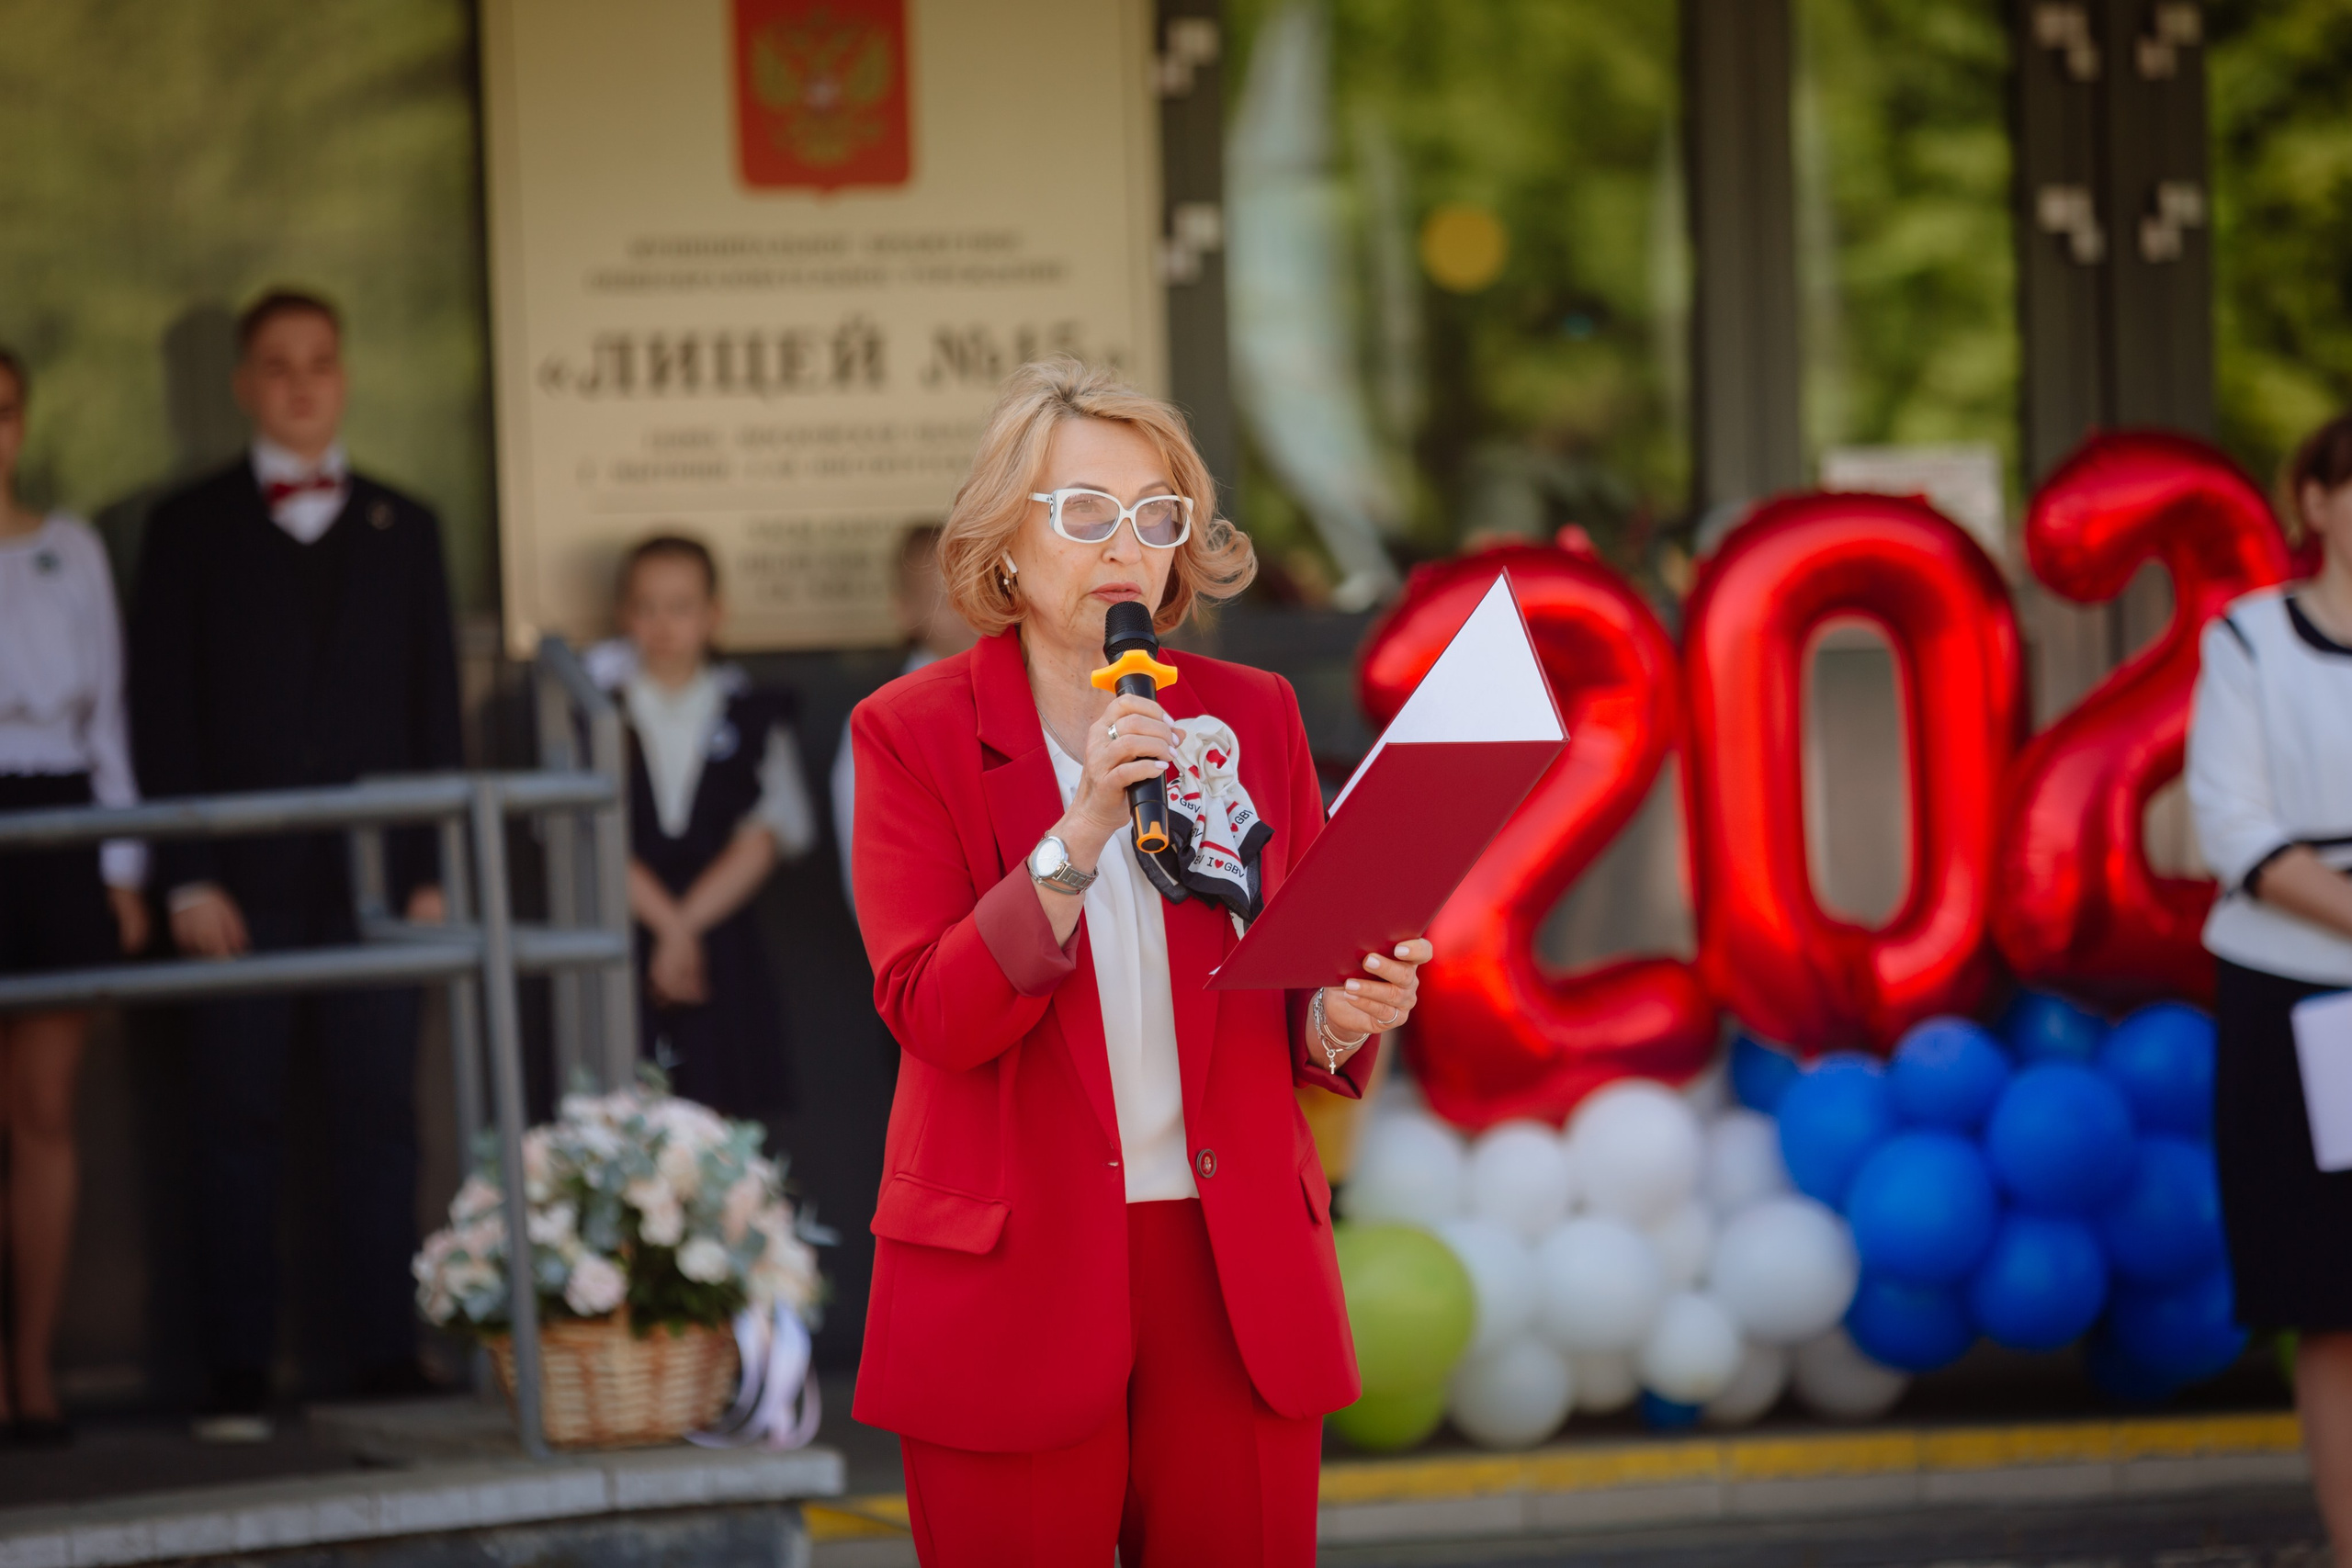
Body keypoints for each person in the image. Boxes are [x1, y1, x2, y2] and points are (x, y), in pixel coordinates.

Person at [847, 356, 1428, 1566]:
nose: (1127, 545)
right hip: (1011, 1272)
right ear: (1006, 541)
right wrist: (1079, 834)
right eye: (1085, 511)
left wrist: (1340, 1013)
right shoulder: (910, 733)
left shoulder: (1252, 714)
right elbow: (933, 1013)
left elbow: (1290, 988)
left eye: (1158, 515)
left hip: (1232, 1266)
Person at [129, 289, 463, 1440]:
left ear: (345, 375)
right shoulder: (187, 527)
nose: (302, 383)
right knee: (234, 1118)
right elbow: (160, 710)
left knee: (380, 1114)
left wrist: (430, 864)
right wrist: (185, 873)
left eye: (320, 361)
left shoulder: (407, 525)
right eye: (277, 365)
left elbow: (435, 707)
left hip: (382, 880)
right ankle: (234, 1369)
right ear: (243, 385)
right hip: (238, 884)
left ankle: (385, 1353)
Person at [2187, 410, 2352, 1559]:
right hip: (2294, 1004)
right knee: (2333, 1302)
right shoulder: (2248, 643)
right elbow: (2233, 827)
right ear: (2315, 503)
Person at [0, 346, 149, 1447]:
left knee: (44, 1111)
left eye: (3, 412)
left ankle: (34, 1368)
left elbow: (111, 719)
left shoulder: (72, 547)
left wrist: (124, 864)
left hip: (57, 823)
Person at [589, 534, 817, 1118]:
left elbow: (765, 836)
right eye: (647, 607)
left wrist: (683, 929)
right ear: (622, 614)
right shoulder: (595, 715)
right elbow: (589, 837)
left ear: (714, 614)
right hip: (621, 944)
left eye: (681, 607)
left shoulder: (752, 714)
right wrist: (669, 929)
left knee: (724, 1111)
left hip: (723, 948)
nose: (663, 624)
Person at [831, 523, 977, 911]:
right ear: (903, 609)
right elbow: (870, 875)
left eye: (977, 589)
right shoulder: (882, 720)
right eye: (945, 600)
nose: (967, 610)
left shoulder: (1034, 692)